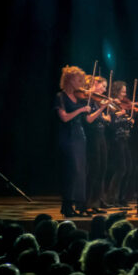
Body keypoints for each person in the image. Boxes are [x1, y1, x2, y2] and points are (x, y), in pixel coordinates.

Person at [54, 66, 92, 217]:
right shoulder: (61, 96)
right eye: (78, 80)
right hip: (68, 136)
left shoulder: (80, 97)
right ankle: (67, 205)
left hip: (80, 136)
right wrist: (80, 110)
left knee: (81, 171)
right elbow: (64, 117)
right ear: (69, 80)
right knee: (72, 171)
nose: (81, 83)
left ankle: (80, 205)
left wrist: (101, 107)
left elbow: (88, 119)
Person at [82, 75, 112, 213]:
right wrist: (102, 108)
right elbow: (88, 119)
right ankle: (87, 202)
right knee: (94, 169)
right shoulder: (87, 100)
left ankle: (96, 202)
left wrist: (105, 117)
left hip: (101, 136)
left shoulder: (96, 101)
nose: (104, 90)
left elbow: (99, 118)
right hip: (92, 136)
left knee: (102, 168)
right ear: (95, 83)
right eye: (103, 86)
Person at [105, 81, 135, 207]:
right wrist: (121, 117)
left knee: (129, 168)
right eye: (122, 91)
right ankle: (112, 197)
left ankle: (122, 198)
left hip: (125, 138)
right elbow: (111, 124)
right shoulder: (110, 105)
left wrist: (129, 121)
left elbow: (122, 122)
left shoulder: (120, 106)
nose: (124, 94)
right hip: (116, 139)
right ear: (116, 91)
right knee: (121, 169)